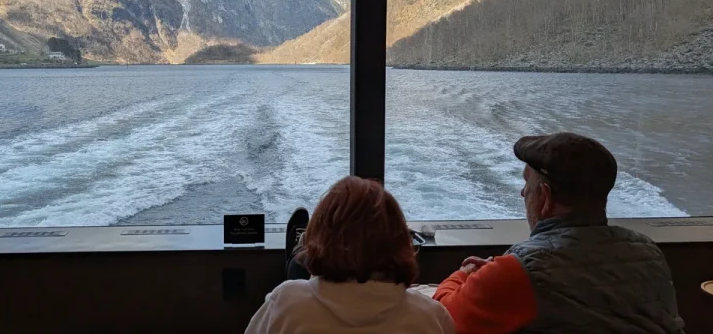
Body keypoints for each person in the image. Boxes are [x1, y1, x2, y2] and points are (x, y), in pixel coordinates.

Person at [433, 132, 685, 334]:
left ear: (545, 197)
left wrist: (465, 274)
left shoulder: (518, 271)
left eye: (526, 184)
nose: (523, 193)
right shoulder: (649, 253)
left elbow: (441, 319)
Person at [245, 176, 455, 334]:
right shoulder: (430, 317)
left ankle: (299, 252)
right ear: (401, 243)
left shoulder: (285, 304)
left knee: (296, 272)